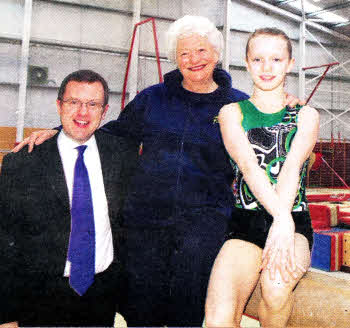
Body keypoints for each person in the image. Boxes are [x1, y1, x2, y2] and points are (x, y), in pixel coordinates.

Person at [12, 17, 303, 326]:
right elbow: (113, 131)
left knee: (188, 310)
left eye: (201, 50)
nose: (194, 60)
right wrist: (58, 131)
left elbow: (271, 129)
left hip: (203, 227)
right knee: (142, 310)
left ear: (216, 54)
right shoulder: (153, 99)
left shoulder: (236, 106)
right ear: (175, 60)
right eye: (184, 54)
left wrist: (288, 103)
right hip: (145, 225)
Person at [0, 70, 138, 326]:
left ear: (104, 111)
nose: (83, 113)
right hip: (40, 299)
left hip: (101, 295)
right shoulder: (22, 163)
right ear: (59, 105)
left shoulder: (123, 156)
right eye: (74, 102)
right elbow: (5, 241)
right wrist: (6, 315)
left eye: (92, 104)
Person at [205, 28, 319, 328]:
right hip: (246, 221)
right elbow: (248, 166)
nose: (267, 68)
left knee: (276, 288)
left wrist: (283, 222)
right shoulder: (232, 113)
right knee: (217, 317)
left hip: (293, 220)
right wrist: (278, 219)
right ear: (246, 62)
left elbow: (292, 166)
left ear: (290, 63)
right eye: (258, 59)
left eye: (276, 59)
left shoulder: (306, 115)